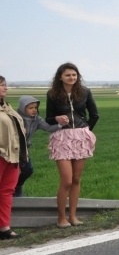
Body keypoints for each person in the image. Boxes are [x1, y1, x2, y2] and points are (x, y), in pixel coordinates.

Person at [45, 63, 99, 228]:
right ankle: (61, 218)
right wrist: (57, 119)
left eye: (74, 75)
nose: (72, 78)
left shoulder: (85, 92)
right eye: (68, 75)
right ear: (60, 77)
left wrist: (86, 131)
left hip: (80, 137)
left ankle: (73, 216)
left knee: (76, 179)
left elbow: (95, 114)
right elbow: (48, 118)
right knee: (66, 180)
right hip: (62, 138)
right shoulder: (53, 94)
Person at [15, 96, 58, 196]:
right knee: (12, 172)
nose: (34, 110)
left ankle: (17, 186)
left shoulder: (36, 119)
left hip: (25, 150)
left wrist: (61, 125)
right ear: (23, 108)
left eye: (35, 107)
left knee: (28, 170)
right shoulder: (15, 118)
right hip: (13, 149)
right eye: (30, 108)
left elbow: (48, 128)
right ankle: (11, 191)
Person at [0, 75, 27, 240]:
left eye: (5, 85)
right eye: (1, 85)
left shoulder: (7, 107)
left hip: (13, 155)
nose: (5, 88)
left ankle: (4, 228)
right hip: (1, 153)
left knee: (7, 191)